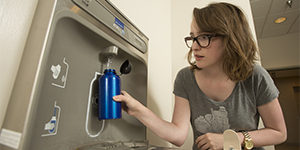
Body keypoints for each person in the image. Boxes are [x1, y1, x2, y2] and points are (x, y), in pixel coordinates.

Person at [113, 2, 287, 150]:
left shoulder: (256, 77)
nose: (194, 47)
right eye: (192, 38)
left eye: (203, 37)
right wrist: (139, 111)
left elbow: (279, 133)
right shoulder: (185, 78)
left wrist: (232, 139)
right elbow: (178, 136)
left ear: (230, 38)